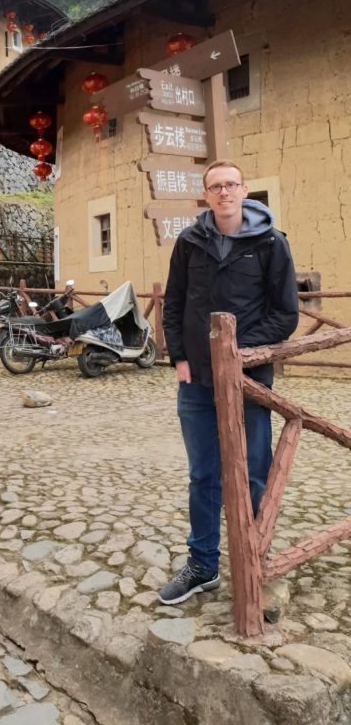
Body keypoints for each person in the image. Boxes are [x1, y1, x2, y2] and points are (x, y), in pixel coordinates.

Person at [159, 159, 298, 605]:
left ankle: (257, 553)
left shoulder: (270, 243)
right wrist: (180, 356)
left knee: (254, 473)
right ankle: (203, 564)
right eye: (215, 186)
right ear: (206, 194)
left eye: (231, 184)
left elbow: (286, 314)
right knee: (204, 475)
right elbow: (175, 302)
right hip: (197, 381)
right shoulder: (189, 241)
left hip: (249, 380)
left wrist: (236, 351)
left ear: (245, 190)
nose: (224, 192)